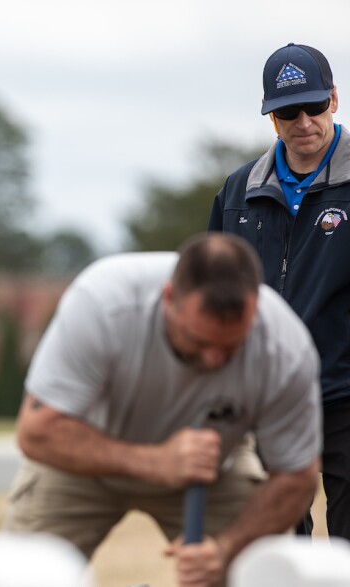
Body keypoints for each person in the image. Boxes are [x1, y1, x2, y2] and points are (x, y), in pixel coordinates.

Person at [3, 233, 321, 587]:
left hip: (213, 469)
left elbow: (298, 475)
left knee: (256, 575)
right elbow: (37, 432)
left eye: (231, 347)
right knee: (22, 575)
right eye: (199, 341)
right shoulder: (104, 303)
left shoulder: (284, 347)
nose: (214, 359)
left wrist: (225, 550)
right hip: (83, 458)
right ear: (169, 298)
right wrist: (157, 462)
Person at [208, 42, 349, 538]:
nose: (303, 121)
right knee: (276, 546)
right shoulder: (238, 191)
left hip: (345, 393)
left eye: (313, 105)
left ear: (333, 98)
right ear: (271, 117)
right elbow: (213, 295)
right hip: (267, 399)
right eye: (288, 111)